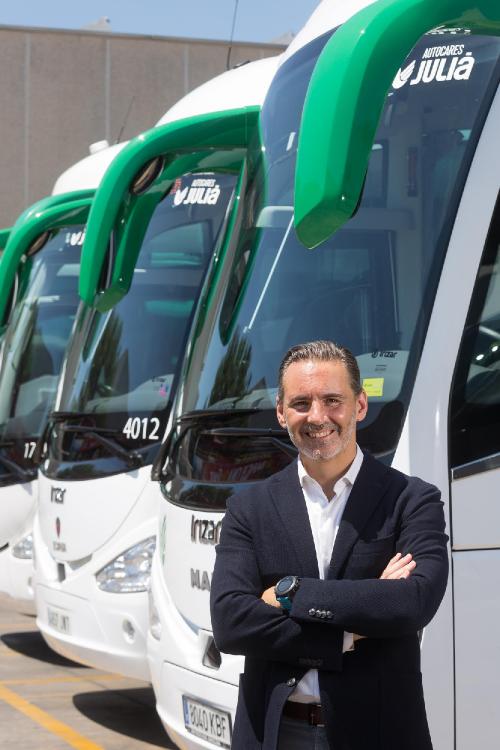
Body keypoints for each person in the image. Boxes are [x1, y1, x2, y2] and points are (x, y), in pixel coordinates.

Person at [210, 340, 448, 750]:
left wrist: (290, 593)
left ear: (360, 405)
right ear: (281, 412)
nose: (317, 416)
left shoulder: (412, 499)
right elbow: (231, 624)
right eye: (301, 403)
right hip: (277, 733)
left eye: (332, 400)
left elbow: (414, 603)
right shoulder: (248, 508)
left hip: (379, 733)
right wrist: (351, 629)